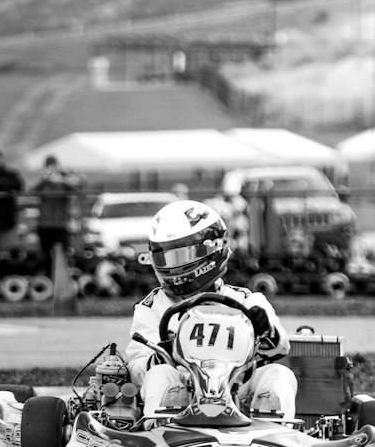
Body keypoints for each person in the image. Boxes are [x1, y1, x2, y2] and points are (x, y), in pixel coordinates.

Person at [124, 198, 297, 421]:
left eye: (182, 256)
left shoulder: (245, 300)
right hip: (183, 386)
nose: (174, 266)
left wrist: (265, 331)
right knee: (159, 374)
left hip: (237, 386)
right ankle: (162, 434)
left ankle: (275, 435)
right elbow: (138, 370)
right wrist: (164, 354)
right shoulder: (152, 308)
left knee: (278, 373)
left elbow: (281, 349)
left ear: (212, 250)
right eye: (166, 258)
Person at [30, 153, 81, 273]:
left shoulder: (65, 180)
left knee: (63, 255)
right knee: (46, 256)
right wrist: (44, 180)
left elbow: (77, 188)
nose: (51, 169)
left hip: (61, 224)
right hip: (44, 225)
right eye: (49, 166)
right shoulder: (43, 182)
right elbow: (31, 191)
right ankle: (49, 278)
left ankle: (63, 280)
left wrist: (61, 180)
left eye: (53, 166)